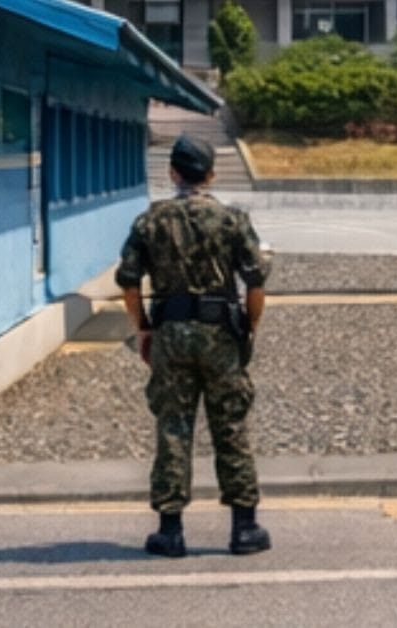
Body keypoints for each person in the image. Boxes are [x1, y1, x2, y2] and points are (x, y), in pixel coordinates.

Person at [116, 133, 272, 558]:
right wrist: (250, 329)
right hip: (221, 332)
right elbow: (255, 282)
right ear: (211, 175)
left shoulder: (150, 221)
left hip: (170, 331)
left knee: (173, 426)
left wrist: (144, 328)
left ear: (172, 173)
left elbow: (129, 282)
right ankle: (244, 527)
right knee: (231, 424)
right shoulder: (231, 220)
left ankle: (170, 530)